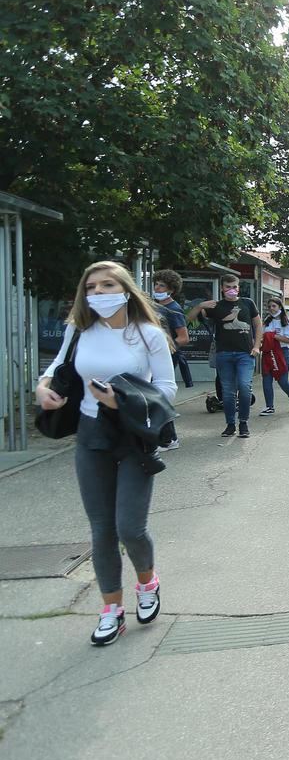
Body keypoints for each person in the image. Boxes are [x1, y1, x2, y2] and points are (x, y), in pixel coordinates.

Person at [34, 261, 177, 646]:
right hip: (90, 435)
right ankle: (110, 609)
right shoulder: (79, 330)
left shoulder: (148, 333)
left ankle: (147, 581)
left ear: (126, 290)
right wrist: (42, 387)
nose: (98, 293)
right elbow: (56, 366)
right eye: (91, 287)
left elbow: (166, 388)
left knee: (130, 527)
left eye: (107, 285)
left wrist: (122, 403)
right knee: (102, 530)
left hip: (133, 436)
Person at [188, 274, 262, 438]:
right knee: (227, 392)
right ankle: (230, 425)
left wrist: (257, 346)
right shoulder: (215, 306)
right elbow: (189, 319)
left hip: (245, 354)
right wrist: (200, 306)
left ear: (238, 287)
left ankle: (243, 423)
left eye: (234, 287)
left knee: (244, 387)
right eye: (228, 287)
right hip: (224, 354)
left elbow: (258, 325)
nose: (232, 290)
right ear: (222, 288)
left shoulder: (248, 303)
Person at [151, 269, 191, 451]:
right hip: (151, 356)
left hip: (167, 357)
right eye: (156, 284)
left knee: (159, 396)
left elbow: (184, 337)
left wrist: (164, 349)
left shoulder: (174, 309)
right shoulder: (152, 305)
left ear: (171, 290)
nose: (157, 288)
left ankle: (168, 439)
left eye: (162, 286)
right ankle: (167, 437)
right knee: (155, 397)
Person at [260, 297, 289, 415]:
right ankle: (269, 406)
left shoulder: (287, 321)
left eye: (274, 306)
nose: (271, 309)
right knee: (266, 380)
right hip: (268, 352)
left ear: (279, 307)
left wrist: (274, 336)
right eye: (269, 306)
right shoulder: (267, 320)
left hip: (282, 353)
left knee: (282, 381)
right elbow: (262, 335)